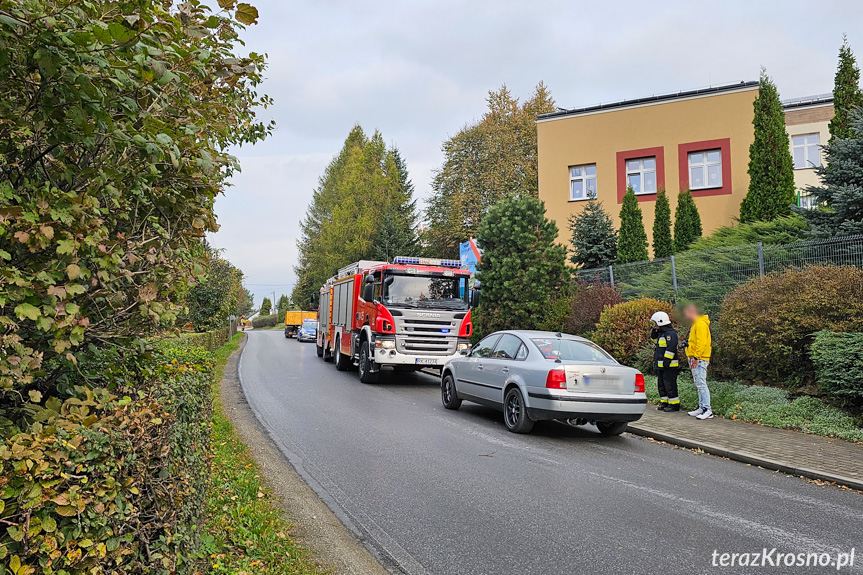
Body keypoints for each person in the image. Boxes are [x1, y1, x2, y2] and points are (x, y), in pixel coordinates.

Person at [684, 304, 713, 420]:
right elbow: (693, 343)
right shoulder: (696, 324)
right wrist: (690, 356)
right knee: (698, 383)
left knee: (701, 383)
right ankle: (702, 407)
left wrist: (696, 357)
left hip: (700, 359)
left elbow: (702, 342)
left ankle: (707, 409)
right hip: (696, 358)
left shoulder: (700, 324)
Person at [650, 311, 680, 412]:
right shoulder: (661, 334)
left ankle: (674, 405)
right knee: (661, 385)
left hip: (669, 366)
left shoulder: (671, 334)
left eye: (656, 324)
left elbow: (671, 348)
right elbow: (654, 339)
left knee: (670, 385)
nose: (655, 326)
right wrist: (655, 330)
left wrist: (666, 362)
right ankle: (665, 402)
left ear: (661, 322)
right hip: (661, 365)